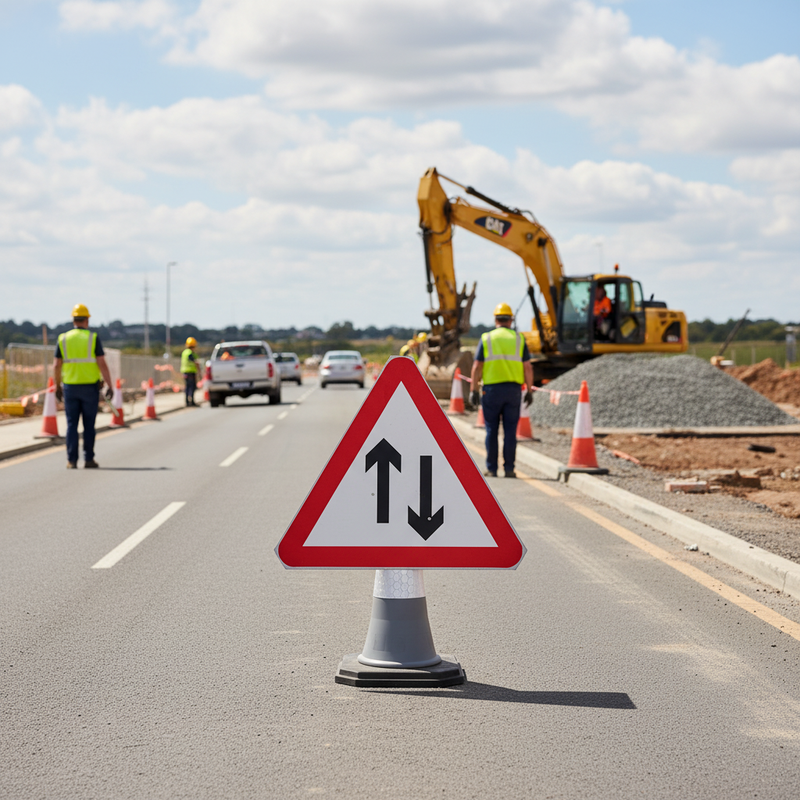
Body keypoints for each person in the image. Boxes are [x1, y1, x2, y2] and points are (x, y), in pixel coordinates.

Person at [469, 303, 534, 478]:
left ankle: (491, 468)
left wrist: (473, 390)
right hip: (513, 390)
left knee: (491, 429)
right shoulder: (519, 339)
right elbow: (527, 367)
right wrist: (529, 390)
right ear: (510, 320)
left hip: (491, 390)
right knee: (510, 431)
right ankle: (509, 469)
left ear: (496, 319)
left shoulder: (487, 338)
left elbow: (477, 367)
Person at [53, 304, 114, 469]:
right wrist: (110, 385)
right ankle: (89, 459)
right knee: (89, 425)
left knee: (71, 424)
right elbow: (101, 363)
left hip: (70, 387)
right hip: (89, 389)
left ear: (73, 320)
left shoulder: (63, 338)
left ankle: (71, 461)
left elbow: (56, 365)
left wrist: (57, 386)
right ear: (87, 320)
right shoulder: (93, 338)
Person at [181, 337, 200, 406]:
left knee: (187, 387)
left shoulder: (184, 352)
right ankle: (191, 402)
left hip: (185, 372)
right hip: (191, 373)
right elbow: (194, 361)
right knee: (192, 387)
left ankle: (187, 401)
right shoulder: (190, 353)